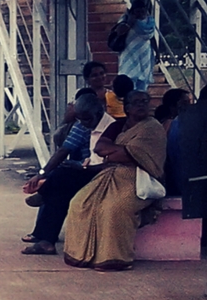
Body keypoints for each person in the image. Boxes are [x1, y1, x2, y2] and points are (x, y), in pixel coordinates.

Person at [63, 90, 167, 271]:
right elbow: (99, 148)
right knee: (80, 203)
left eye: (145, 101)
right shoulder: (118, 125)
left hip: (138, 177)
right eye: (136, 102)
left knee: (114, 208)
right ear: (127, 108)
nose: (141, 105)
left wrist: (118, 152)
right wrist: (121, 152)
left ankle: (114, 259)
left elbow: (131, 156)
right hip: (109, 173)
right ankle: (81, 255)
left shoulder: (153, 127)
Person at [19, 93, 108, 255]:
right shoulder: (82, 125)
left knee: (60, 177)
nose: (84, 124)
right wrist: (41, 173)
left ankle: (43, 192)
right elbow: (63, 151)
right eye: (80, 119)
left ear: (100, 113)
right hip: (85, 168)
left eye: (87, 119)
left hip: (104, 173)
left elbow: (109, 162)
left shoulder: (112, 127)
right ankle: (46, 241)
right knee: (59, 187)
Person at [117, 0, 156, 91]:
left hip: (144, 55)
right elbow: (119, 32)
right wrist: (130, 23)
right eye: (138, 11)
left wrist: (157, 52)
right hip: (130, 55)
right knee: (129, 80)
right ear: (133, 11)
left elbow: (152, 38)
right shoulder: (125, 18)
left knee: (143, 84)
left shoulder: (150, 21)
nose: (141, 14)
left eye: (143, 11)